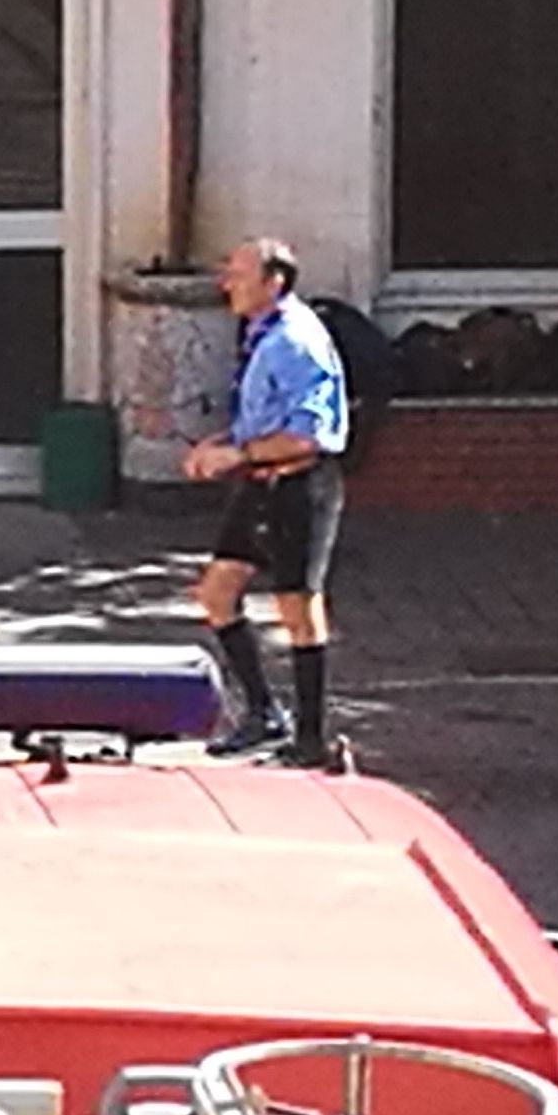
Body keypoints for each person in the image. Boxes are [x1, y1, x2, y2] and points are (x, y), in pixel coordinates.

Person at [185, 236, 353, 767]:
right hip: (261, 481)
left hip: (301, 484)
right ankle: (263, 714)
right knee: (217, 594)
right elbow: (262, 414)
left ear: (273, 281)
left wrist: (237, 455)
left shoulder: (297, 341)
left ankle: (310, 738)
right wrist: (221, 444)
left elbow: (309, 436)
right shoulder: (260, 331)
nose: (226, 284)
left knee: (298, 607)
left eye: (238, 275)